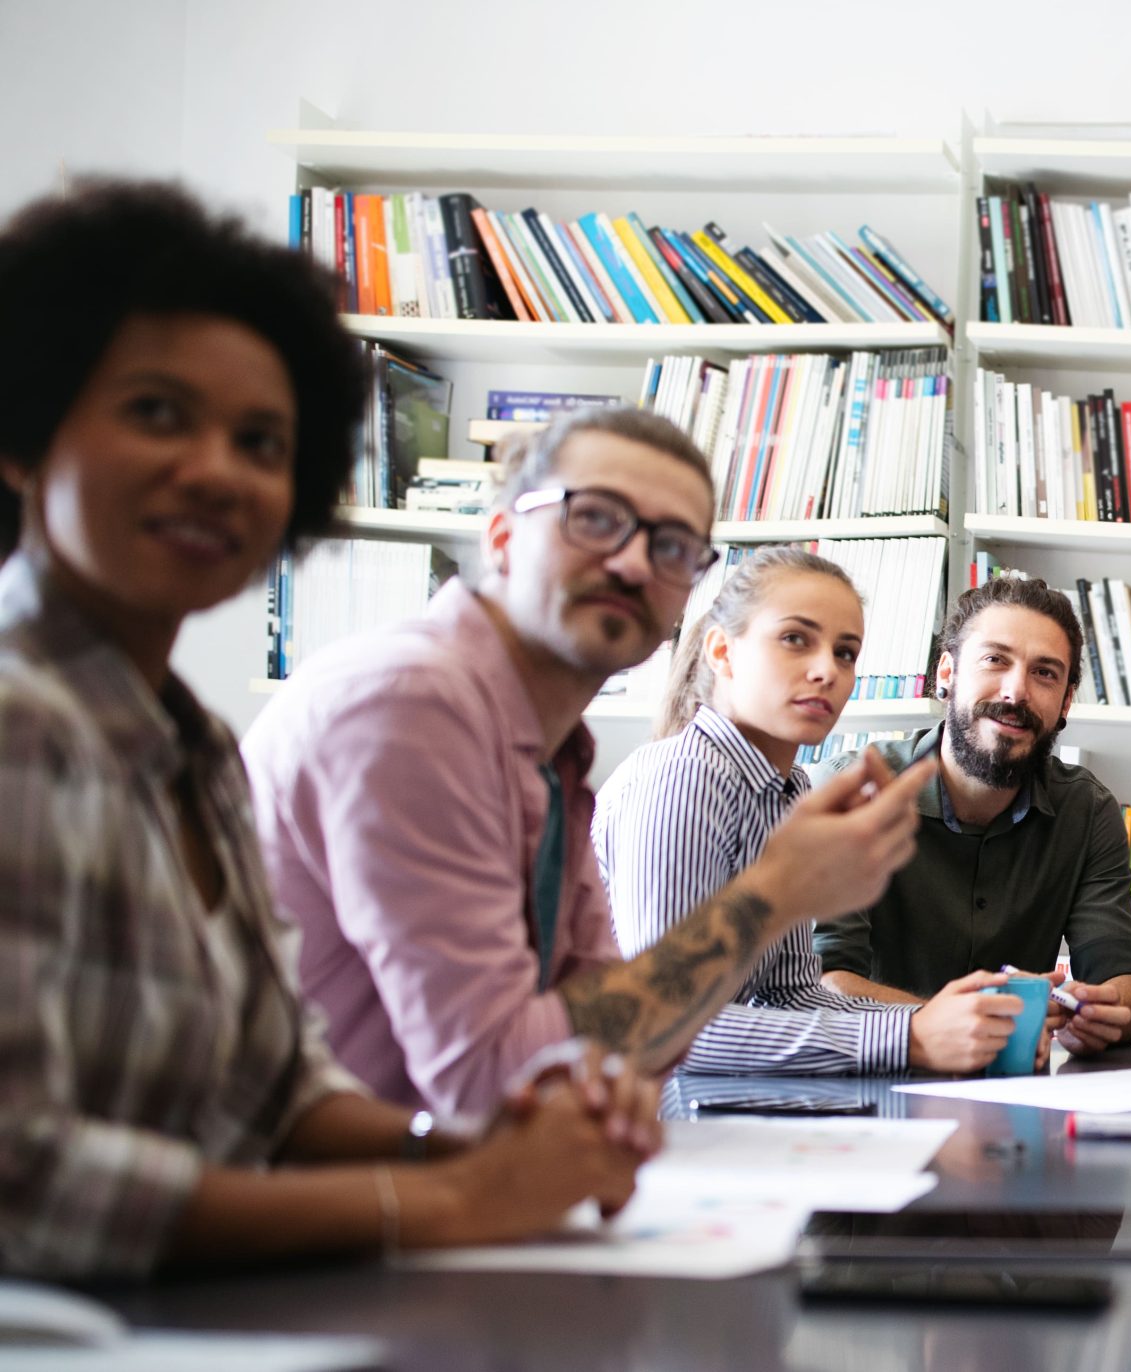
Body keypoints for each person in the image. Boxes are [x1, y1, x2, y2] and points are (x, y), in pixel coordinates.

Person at [0, 180, 651, 1279]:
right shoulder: (22, 722)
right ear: (25, 434)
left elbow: (274, 1093)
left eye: (260, 440)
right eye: (155, 411)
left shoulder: (189, 745)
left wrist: (481, 1150)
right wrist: (443, 1199)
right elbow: (23, 1177)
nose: (214, 468)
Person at [243, 404, 939, 1122]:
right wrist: (775, 895)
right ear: (503, 537)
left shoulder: (554, 757)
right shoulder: (411, 704)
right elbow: (495, 1078)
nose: (635, 562)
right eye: (595, 517)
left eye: (673, 547)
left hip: (448, 1177)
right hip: (324, 1199)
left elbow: (612, 1029)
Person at [594, 547, 1038, 1074]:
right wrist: (909, 1036)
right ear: (722, 652)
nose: (827, 670)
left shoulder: (788, 789)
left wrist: (960, 1020)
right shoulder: (683, 777)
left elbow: (790, 995)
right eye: (795, 639)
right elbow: (670, 1028)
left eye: (846, 653)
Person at [814, 576, 1131, 1057]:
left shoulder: (1088, 811)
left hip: (1013, 1100)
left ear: (1066, 703)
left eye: (1045, 673)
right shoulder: (852, 793)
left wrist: (1105, 1011)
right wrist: (942, 1025)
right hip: (867, 1086)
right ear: (947, 673)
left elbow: (1126, 979)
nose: (1016, 691)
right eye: (995, 660)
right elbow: (823, 984)